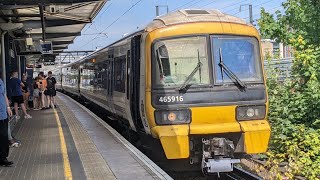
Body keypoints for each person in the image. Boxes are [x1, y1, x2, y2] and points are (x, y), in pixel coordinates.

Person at [0, 73, 14, 166]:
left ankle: (3, 158)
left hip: (3, 114)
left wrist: (8, 107)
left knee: (3, 137)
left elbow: (4, 94)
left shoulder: (0, 81)